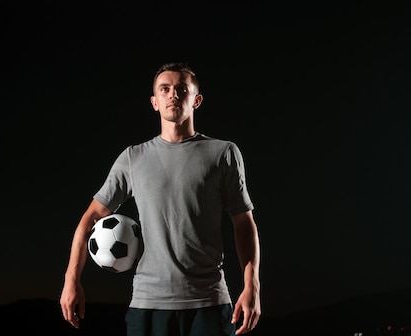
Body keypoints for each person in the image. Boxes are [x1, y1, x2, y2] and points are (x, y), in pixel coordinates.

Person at [60, 62, 261, 335]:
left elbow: (243, 223)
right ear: (155, 102)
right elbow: (92, 217)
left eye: (181, 89)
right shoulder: (133, 158)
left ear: (196, 100)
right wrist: (71, 278)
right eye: (165, 89)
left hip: (209, 303)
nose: (173, 95)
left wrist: (252, 286)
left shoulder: (223, 153)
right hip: (147, 304)